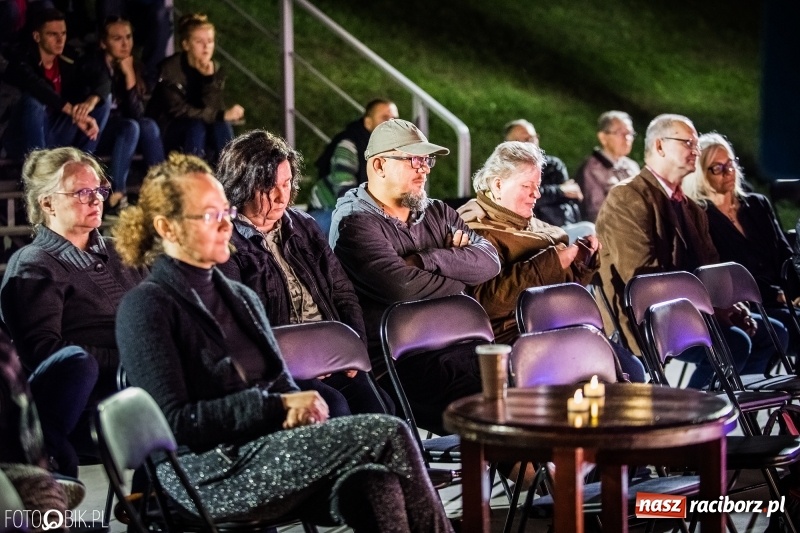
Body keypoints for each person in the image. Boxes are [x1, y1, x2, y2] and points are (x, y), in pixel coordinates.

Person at [111, 153, 454, 532]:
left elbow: (279, 383)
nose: (226, 224)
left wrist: (299, 406)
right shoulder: (147, 306)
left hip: (263, 449)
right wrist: (276, 407)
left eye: (226, 212)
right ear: (167, 227)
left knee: (374, 481)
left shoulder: (239, 297)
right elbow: (175, 424)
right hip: (203, 471)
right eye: (210, 215)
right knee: (388, 432)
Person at [330, 118, 501, 434]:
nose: (425, 169)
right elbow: (402, 287)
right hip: (402, 363)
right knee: (493, 410)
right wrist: (460, 272)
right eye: (413, 160)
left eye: (427, 160)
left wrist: (426, 259)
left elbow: (490, 262)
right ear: (379, 165)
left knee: (524, 387)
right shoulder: (355, 224)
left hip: (459, 346)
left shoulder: (438, 212)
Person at [595, 114, 786, 388]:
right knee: (735, 344)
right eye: (687, 142)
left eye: (696, 144)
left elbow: (710, 266)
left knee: (770, 334)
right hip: (648, 317)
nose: (696, 150)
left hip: (689, 310)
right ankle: (690, 408)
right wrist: (709, 308)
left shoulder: (690, 207)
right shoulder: (628, 197)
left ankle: (731, 403)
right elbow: (643, 278)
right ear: (659, 146)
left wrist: (727, 304)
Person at [216, 129, 393, 416]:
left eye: (286, 183)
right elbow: (238, 325)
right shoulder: (226, 241)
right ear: (242, 186)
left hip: (331, 353)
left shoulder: (304, 226)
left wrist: (353, 348)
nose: (281, 196)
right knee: (333, 408)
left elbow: (343, 293)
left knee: (382, 406)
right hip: (280, 366)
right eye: (268, 187)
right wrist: (303, 357)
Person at [0, 147, 147, 476]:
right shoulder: (34, 265)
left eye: (99, 190)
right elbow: (45, 353)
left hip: (145, 386)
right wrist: (132, 360)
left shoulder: (122, 252)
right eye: (82, 192)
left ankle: (160, 496)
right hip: (89, 404)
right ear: (47, 203)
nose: (96, 200)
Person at [458, 141, 645, 382]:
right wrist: (553, 261)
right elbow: (488, 303)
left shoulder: (535, 226)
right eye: (527, 186)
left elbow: (563, 288)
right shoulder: (474, 231)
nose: (536, 194)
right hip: (519, 339)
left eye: (537, 186)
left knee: (633, 370)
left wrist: (581, 263)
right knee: (620, 376)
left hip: (560, 326)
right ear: (498, 184)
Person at [683, 132, 798, 346]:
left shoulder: (757, 204)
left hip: (784, 295)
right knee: (787, 328)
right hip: (745, 304)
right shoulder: (700, 217)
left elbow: (785, 254)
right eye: (717, 168)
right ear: (701, 174)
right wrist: (777, 296)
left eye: (730, 164)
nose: (729, 172)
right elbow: (722, 276)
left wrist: (795, 290)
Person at [2, 8, 110, 162]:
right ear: (37, 36)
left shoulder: (69, 57)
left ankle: (83, 164)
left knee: (103, 100)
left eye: (63, 34)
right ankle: (40, 171)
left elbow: (102, 78)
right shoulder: (22, 58)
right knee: (33, 102)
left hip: (55, 132)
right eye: (53, 34)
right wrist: (72, 111)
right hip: (21, 138)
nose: (60, 40)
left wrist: (89, 103)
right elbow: (37, 86)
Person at [86, 16, 165, 213]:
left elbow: (138, 115)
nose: (125, 44)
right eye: (117, 38)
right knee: (131, 127)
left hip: (125, 132)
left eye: (128, 37)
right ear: (103, 43)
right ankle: (116, 192)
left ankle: (162, 188)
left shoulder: (130, 66)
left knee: (147, 125)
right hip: (94, 131)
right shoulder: (92, 66)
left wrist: (129, 76)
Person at [146, 13, 244, 162]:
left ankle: (230, 170)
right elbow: (178, 111)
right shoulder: (170, 69)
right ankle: (193, 171)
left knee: (221, 125)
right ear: (186, 45)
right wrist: (219, 115)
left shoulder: (215, 69)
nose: (206, 47)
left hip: (202, 128)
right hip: (168, 129)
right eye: (199, 41)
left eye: (210, 41)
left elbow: (213, 108)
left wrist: (209, 80)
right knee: (197, 126)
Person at [308, 99, 399, 235]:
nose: (391, 123)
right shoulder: (349, 146)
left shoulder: (392, 152)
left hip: (366, 212)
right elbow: (345, 194)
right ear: (368, 122)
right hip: (327, 211)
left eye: (395, 119)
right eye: (385, 118)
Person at [503, 118, 584, 228]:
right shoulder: (506, 171)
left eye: (532, 138)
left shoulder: (553, 165)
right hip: (527, 229)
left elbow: (571, 196)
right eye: (523, 140)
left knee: (588, 229)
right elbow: (518, 198)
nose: (530, 143)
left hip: (562, 227)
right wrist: (559, 191)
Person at [577, 110, 641, 222]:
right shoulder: (592, 168)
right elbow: (596, 212)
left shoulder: (632, 166)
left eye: (630, 133)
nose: (627, 138)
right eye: (620, 133)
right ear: (603, 137)